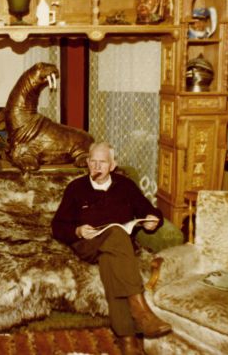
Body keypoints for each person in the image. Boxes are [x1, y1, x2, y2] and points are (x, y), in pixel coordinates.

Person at [51, 141, 172, 355]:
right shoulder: (76, 188)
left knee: (111, 262)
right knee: (116, 234)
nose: (97, 167)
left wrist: (154, 220)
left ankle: (127, 339)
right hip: (88, 245)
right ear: (87, 163)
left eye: (103, 163)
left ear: (113, 165)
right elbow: (58, 226)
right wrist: (78, 231)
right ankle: (140, 309)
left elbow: (149, 210)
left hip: (117, 250)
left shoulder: (126, 186)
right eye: (93, 162)